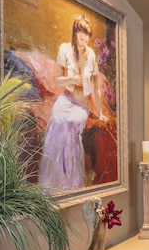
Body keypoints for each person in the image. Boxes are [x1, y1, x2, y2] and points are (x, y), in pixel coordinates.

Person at [39, 14, 107, 192]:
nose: (84, 38)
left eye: (87, 34)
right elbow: (58, 80)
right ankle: (54, 185)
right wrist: (72, 78)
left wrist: (99, 113)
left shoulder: (91, 55)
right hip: (66, 99)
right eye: (81, 33)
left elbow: (96, 86)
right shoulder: (64, 49)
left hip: (81, 105)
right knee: (56, 119)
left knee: (69, 125)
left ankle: (71, 185)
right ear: (75, 33)